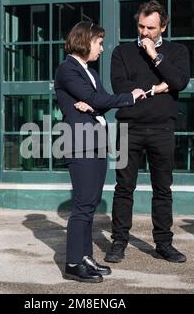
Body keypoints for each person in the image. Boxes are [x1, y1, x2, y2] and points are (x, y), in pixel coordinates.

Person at [54, 21, 147, 283]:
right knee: (83, 206)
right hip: (80, 142)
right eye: (99, 43)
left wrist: (93, 105)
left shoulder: (90, 73)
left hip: (96, 142)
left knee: (91, 204)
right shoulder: (67, 69)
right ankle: (73, 263)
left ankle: (84, 257)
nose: (102, 49)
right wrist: (129, 96)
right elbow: (99, 100)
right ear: (85, 41)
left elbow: (100, 102)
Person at [105, 0, 190, 264]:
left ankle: (163, 243)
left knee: (163, 188)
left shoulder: (177, 51)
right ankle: (119, 241)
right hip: (128, 128)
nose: (144, 33)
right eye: (141, 26)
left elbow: (179, 82)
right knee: (123, 187)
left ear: (163, 26)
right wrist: (159, 87)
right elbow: (122, 88)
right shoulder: (121, 52)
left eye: (151, 28)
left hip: (163, 128)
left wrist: (155, 55)